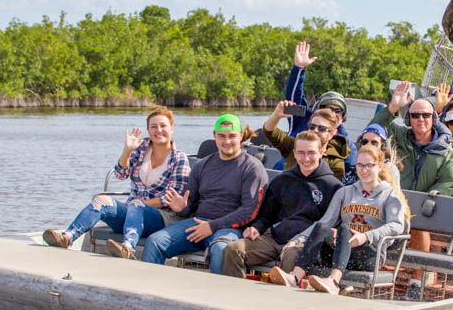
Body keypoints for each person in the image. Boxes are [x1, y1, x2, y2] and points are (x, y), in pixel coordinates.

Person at [42, 107, 190, 253]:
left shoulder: (179, 158)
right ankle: (67, 237)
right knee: (101, 200)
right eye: (153, 126)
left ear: (171, 129)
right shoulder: (141, 148)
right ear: (149, 130)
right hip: (132, 213)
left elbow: (170, 197)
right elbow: (120, 174)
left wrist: (139, 204)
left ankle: (127, 248)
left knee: (136, 205)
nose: (158, 130)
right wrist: (127, 151)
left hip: (159, 218)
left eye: (163, 126)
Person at [270, 145, 409, 294]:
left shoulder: (389, 195)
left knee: (344, 229)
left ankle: (334, 281)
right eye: (360, 165)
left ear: (380, 167)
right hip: (340, 253)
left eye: (369, 165)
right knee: (323, 228)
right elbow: (325, 221)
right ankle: (295, 277)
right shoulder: (345, 192)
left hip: (369, 255)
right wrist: (297, 240)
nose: (364, 170)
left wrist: (365, 237)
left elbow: (397, 226)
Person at [139, 114, 268, 274]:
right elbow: (190, 206)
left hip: (231, 228)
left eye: (232, 136)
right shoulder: (202, 166)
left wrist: (212, 227)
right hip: (198, 223)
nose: (227, 141)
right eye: (221, 136)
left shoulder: (252, 168)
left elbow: (249, 211)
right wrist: (181, 208)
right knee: (155, 241)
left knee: (221, 249)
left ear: (241, 136)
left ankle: (217, 297)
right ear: (214, 136)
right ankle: (147, 292)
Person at [371, 80, 453, 299]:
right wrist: (393, 106)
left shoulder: (444, 150)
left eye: (426, 116)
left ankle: (415, 280)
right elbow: (375, 128)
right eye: (415, 115)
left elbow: (450, 180)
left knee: (418, 225)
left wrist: (433, 196)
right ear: (408, 118)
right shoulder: (400, 137)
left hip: (423, 206)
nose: (421, 119)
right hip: (396, 199)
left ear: (434, 118)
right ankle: (371, 270)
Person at [220, 131, 341, 279]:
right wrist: (256, 228)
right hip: (274, 238)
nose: (306, 158)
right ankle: (237, 297)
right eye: (301, 153)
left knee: (290, 256)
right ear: (294, 154)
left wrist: (300, 241)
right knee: (233, 249)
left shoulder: (333, 187)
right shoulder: (282, 180)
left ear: (322, 152)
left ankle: (282, 301)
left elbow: (331, 225)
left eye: (311, 152)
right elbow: (266, 216)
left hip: (304, 244)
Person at [283, 41, 353, 165]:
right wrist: (299, 69)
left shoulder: (345, 142)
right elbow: (292, 100)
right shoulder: (301, 120)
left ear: (342, 117)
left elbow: (352, 167)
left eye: (338, 111)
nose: (331, 113)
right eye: (326, 108)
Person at [261, 101, 349, 176]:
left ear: (332, 134)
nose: (315, 130)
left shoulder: (336, 164)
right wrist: (276, 115)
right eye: (312, 126)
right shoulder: (293, 145)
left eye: (321, 128)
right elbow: (269, 131)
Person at [342, 123, 400, 187]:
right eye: (365, 142)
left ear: (383, 146)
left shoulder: (390, 169)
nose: (369, 146)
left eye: (374, 143)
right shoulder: (353, 168)